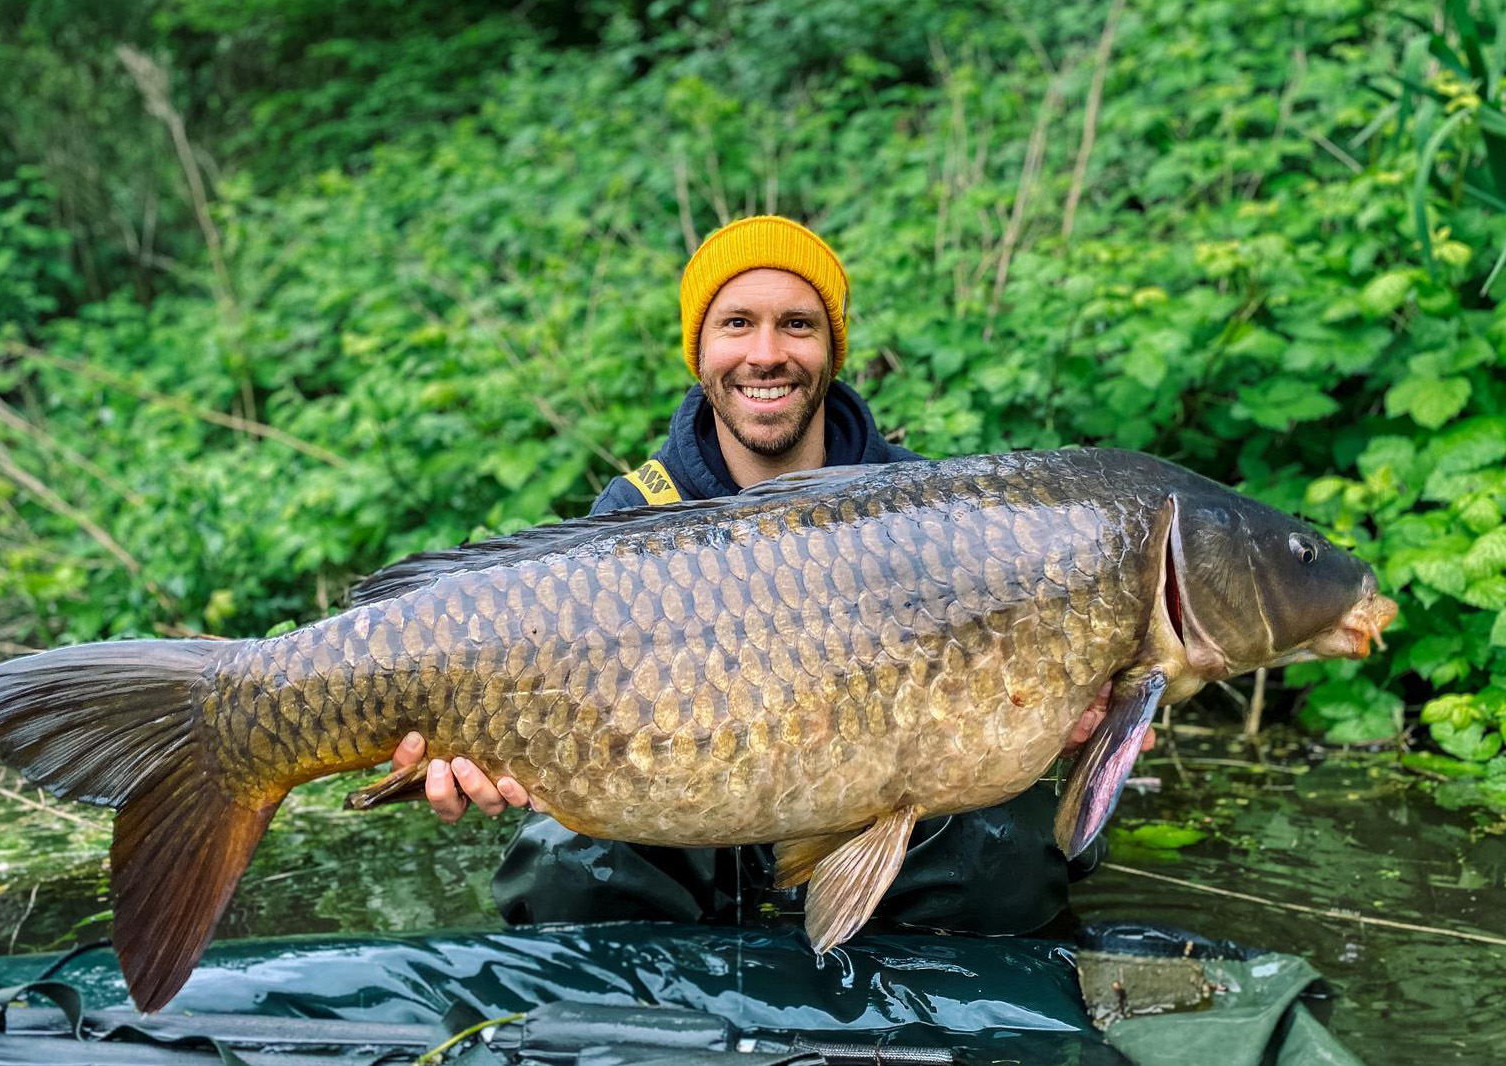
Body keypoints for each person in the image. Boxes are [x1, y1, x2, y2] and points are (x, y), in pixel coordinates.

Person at [385, 215, 1150, 934]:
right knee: (569, 865)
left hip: (885, 795)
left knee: (1003, 847)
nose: (766, 353)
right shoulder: (635, 513)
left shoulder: (933, 512)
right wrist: (485, 746)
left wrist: (1062, 718)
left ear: (831, 347)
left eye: (797, 324)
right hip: (692, 798)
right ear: (701, 351)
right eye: (737, 323)